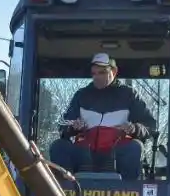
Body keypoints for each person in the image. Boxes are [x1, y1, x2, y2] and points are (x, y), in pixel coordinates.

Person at [48, 53, 155, 181]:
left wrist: (134, 129)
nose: (97, 77)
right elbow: (63, 125)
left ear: (114, 72)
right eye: (94, 73)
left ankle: (129, 192)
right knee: (59, 146)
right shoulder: (82, 95)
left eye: (102, 73)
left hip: (116, 154)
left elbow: (150, 125)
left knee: (135, 147)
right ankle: (63, 193)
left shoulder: (129, 95)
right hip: (85, 153)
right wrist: (72, 127)